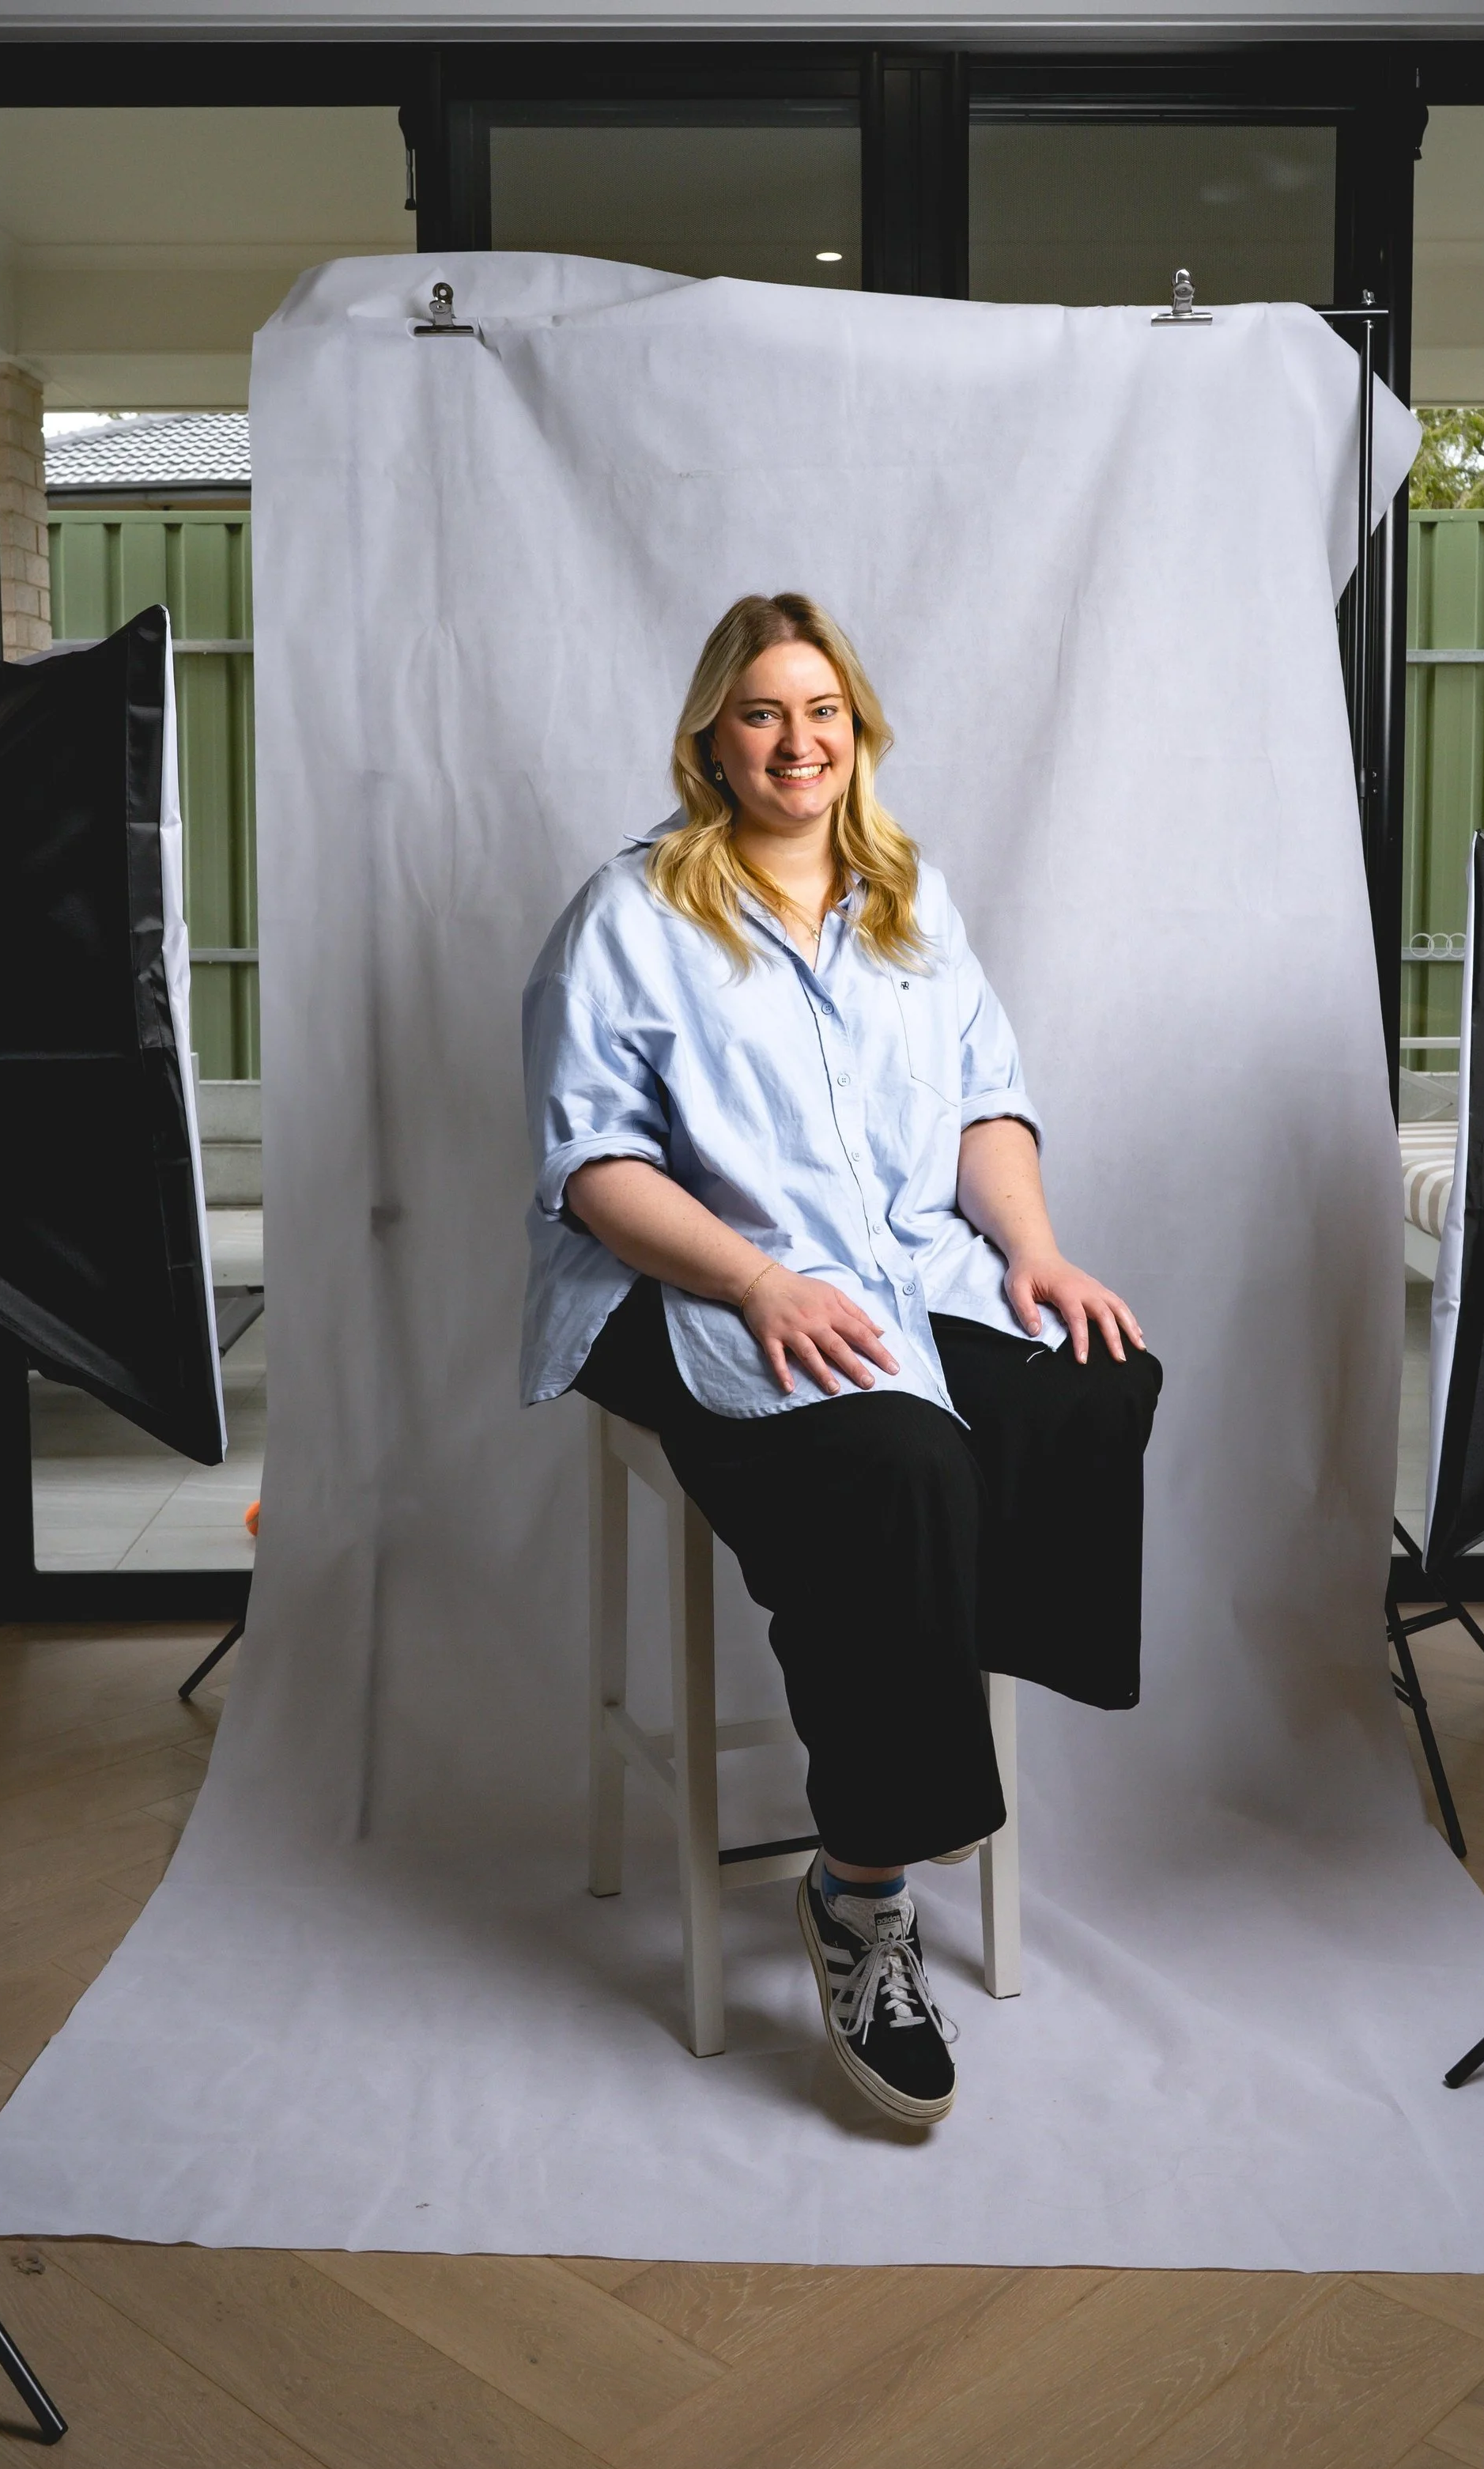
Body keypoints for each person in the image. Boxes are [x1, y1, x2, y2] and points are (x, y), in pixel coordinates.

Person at [521, 592, 1161, 2126]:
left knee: (1092, 1376)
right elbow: (590, 1168)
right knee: (896, 1460)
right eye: (760, 712)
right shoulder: (628, 916)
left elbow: (981, 1108)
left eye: (820, 711)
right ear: (710, 740)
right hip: (680, 1287)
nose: (794, 741)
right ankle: (861, 1890)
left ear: (855, 732)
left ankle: (914, 1706)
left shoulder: (908, 897)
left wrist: (1030, 1252)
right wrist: (753, 1284)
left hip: (892, 1261)